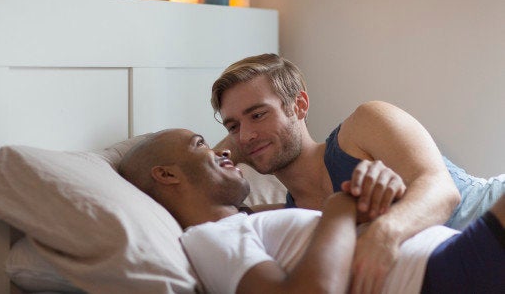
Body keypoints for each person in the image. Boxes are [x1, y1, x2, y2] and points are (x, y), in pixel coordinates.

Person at [209, 53, 505, 292]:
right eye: (233, 126)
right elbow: (195, 175)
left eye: (258, 115)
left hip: (491, 209)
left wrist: (384, 234)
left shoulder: (363, 126)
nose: (246, 135)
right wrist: (224, 152)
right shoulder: (286, 218)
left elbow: (441, 189)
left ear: (299, 105)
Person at [118, 128, 505, 294]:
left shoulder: (250, 221)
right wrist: (340, 206)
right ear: (167, 174)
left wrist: (376, 202)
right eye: (200, 143)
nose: (225, 149)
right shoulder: (208, 237)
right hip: (449, 275)